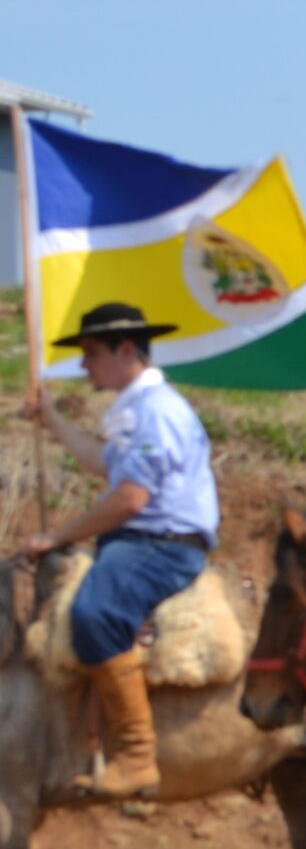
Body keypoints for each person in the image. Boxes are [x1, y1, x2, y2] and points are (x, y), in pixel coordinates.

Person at [16, 303, 220, 799]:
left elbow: (131, 499)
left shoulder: (156, 411)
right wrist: (54, 422)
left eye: (90, 353)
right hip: (140, 540)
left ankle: (136, 756)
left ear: (125, 351)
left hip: (161, 545)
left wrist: (58, 536)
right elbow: (103, 465)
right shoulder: (136, 408)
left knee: (94, 613)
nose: (84, 365)